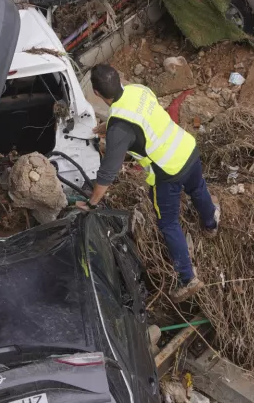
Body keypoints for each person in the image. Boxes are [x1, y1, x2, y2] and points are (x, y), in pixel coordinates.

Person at [80, 64, 220, 302]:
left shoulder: (120, 126)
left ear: (96, 93)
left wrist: (92, 204)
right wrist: (111, 128)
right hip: (187, 149)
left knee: (168, 223)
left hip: (167, 172)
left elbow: (108, 172)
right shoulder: (138, 90)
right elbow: (144, 116)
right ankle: (211, 224)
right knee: (198, 189)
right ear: (120, 77)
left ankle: (188, 279)